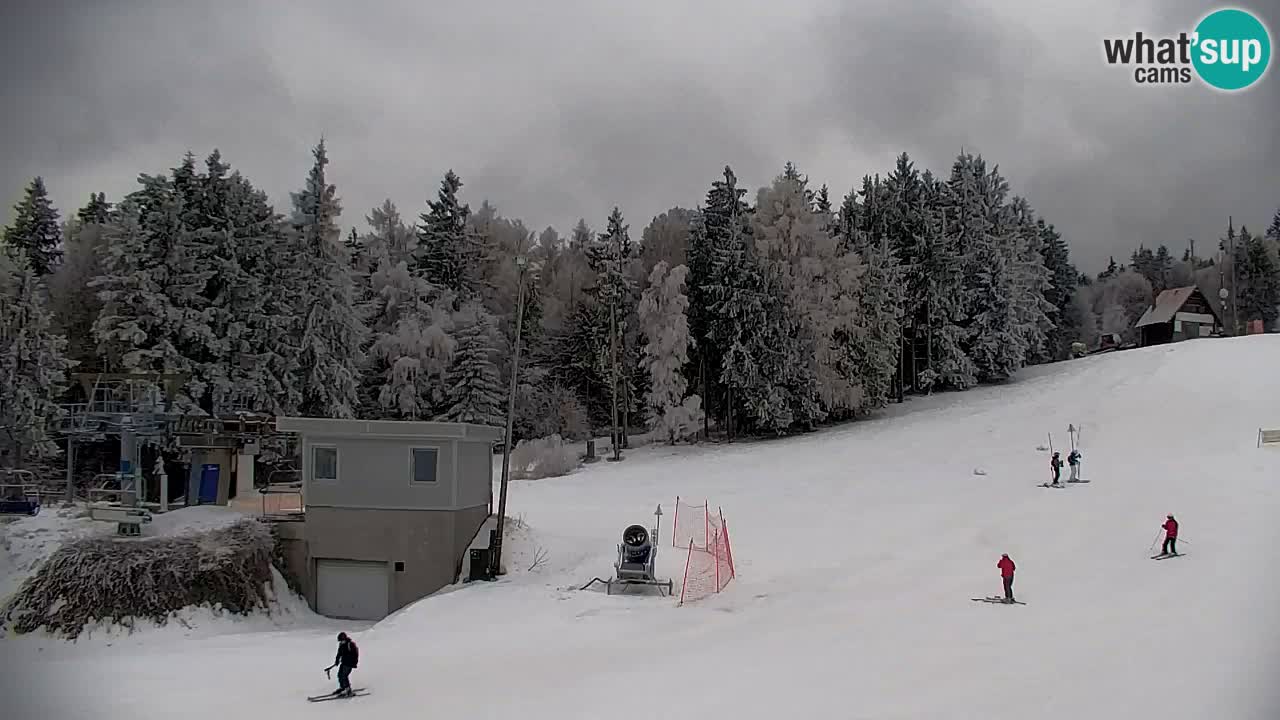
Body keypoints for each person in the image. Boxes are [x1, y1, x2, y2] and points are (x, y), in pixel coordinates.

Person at [331, 632, 359, 697]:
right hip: (344, 663)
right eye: (340, 641)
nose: (341, 642)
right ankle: (343, 687)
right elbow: (339, 654)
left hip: (349, 663)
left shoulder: (350, 644)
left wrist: (353, 663)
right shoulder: (341, 645)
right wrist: (337, 661)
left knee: (344, 676)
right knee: (339, 675)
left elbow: (355, 654)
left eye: (341, 640)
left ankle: (348, 690)